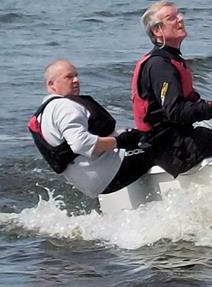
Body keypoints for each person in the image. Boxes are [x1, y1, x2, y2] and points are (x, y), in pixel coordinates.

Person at [132, 0, 212, 177]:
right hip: (171, 150)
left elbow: (185, 106)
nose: (181, 19)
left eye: (179, 14)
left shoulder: (171, 60)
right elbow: (175, 112)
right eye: (172, 18)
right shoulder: (160, 65)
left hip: (176, 142)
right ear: (157, 31)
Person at [28, 59, 153, 197]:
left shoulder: (45, 111)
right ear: (51, 84)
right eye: (69, 77)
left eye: (76, 75)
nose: (76, 80)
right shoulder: (64, 106)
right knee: (163, 141)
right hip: (110, 174)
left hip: (91, 182)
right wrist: (120, 141)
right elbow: (80, 144)